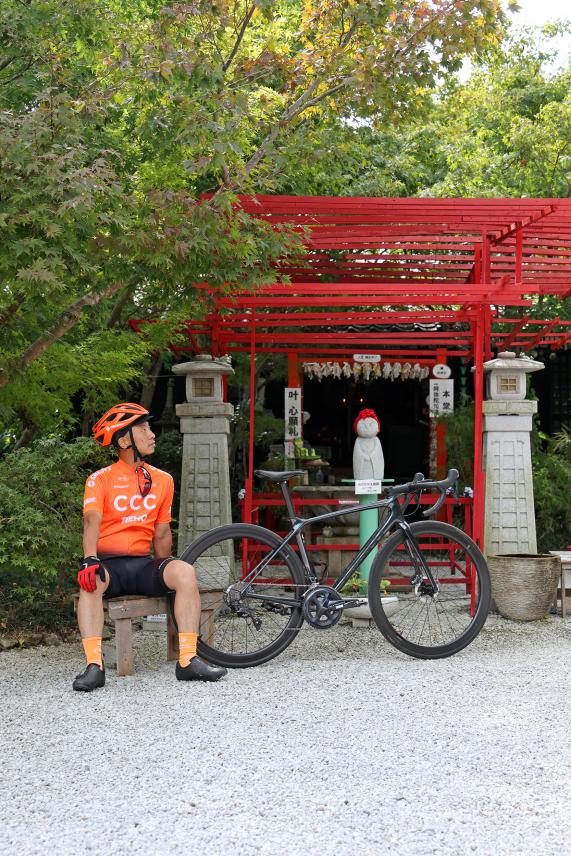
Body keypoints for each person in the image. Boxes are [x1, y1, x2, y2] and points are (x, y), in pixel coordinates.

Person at [73, 402, 227, 691]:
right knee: (90, 580)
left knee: (184, 572)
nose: (151, 434)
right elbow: (91, 521)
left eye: (149, 428)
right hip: (109, 567)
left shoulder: (162, 480)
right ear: (123, 441)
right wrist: (89, 558)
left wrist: (163, 569)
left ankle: (187, 661)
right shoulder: (99, 480)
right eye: (142, 429)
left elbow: (162, 531)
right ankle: (94, 666)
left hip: (142, 565)